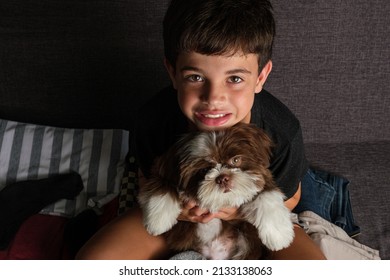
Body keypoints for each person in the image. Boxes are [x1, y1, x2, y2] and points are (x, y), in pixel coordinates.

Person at [76, 0, 326, 260]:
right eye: (195, 77)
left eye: (235, 79)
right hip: (180, 218)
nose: (214, 97)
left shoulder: (282, 131)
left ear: (261, 77)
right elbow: (147, 179)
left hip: (256, 215)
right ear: (172, 73)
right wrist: (182, 211)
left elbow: (291, 197)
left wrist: (238, 212)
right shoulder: (152, 120)